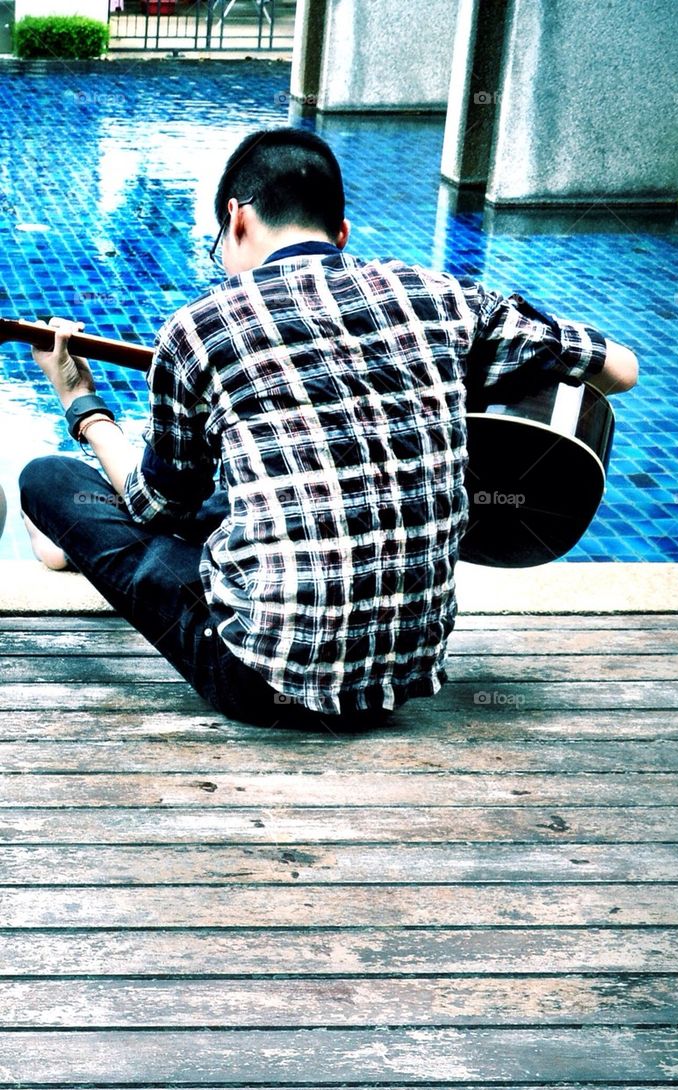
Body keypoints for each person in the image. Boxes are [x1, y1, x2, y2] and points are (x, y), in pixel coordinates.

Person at [19, 127, 638, 731]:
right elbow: (620, 370)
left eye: (221, 246)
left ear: (237, 219)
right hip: (405, 675)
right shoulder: (443, 297)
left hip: (263, 678)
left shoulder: (199, 328)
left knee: (47, 479)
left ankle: (68, 536)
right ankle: (70, 542)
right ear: (340, 234)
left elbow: (156, 507)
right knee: (251, 489)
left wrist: (79, 398)